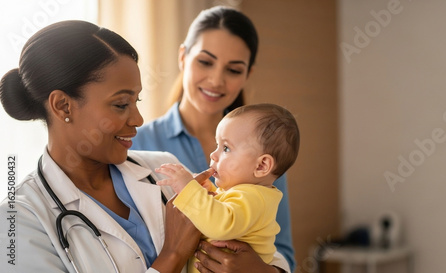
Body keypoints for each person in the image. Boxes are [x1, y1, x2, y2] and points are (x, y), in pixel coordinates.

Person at [0, 20, 290, 273]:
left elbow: (258, 244)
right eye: (120, 104)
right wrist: (172, 257)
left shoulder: (162, 168)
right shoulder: (19, 220)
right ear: (63, 105)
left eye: (136, 102)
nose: (138, 119)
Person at [131, 6, 297, 271]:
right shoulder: (137, 144)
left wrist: (260, 270)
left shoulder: (266, 154)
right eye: (206, 62)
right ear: (183, 57)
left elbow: (283, 250)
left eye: (233, 70)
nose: (216, 80)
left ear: (247, 75)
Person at [156, 103, 300, 273]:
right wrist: (207, 191)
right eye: (217, 145)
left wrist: (189, 190)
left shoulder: (255, 198)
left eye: (226, 148)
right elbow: (226, 209)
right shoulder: (245, 194)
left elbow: (221, 224)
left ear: (261, 166)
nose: (213, 154)